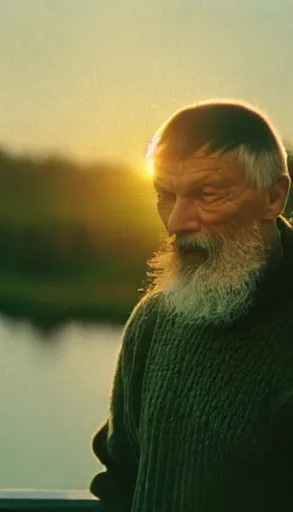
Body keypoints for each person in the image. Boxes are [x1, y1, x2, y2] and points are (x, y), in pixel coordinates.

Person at [89, 100, 293, 512]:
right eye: (164, 195)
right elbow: (120, 475)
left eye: (207, 193)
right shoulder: (153, 320)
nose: (176, 222)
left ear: (273, 198)